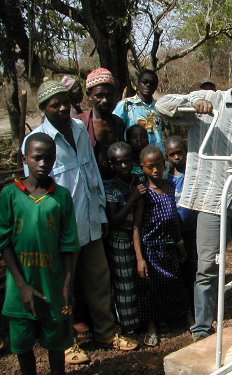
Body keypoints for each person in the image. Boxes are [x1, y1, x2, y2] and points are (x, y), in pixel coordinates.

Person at [156, 59, 232, 341]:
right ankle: (202, 327)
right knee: (208, 264)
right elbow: (162, 107)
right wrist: (193, 104)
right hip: (211, 198)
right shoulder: (211, 101)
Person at [23, 81, 138, 364]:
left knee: (99, 279)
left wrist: (100, 214)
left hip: (89, 221)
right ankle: (66, 342)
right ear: (43, 109)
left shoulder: (78, 130)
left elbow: (92, 177)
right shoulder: (37, 141)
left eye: (65, 101)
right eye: (55, 104)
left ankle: (106, 332)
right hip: (60, 229)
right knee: (64, 286)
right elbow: (33, 189)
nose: (63, 108)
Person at [0, 133, 79, 375]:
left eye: (50, 158)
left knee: (56, 342)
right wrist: (22, 285)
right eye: (37, 158)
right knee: (22, 343)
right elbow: (4, 242)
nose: (44, 163)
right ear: (25, 158)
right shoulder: (10, 195)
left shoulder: (61, 196)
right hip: (19, 286)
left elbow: (69, 246)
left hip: (52, 283)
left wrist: (66, 286)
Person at [132, 145, 189, 347]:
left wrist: (180, 244)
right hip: (150, 250)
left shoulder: (170, 186)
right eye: (150, 167)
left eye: (158, 165)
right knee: (150, 289)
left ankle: (186, 319)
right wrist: (140, 258)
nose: (155, 170)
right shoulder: (143, 193)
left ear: (164, 163)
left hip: (170, 246)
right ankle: (152, 327)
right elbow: (136, 227)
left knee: (176, 283)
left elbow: (174, 219)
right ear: (142, 168)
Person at [104, 142, 147, 333]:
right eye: (118, 163)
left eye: (126, 161)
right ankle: (129, 326)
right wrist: (132, 198)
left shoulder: (139, 179)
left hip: (140, 235)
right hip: (120, 239)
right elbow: (114, 220)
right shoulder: (112, 187)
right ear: (111, 164)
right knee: (124, 284)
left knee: (141, 279)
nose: (123, 166)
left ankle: (145, 319)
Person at [166, 136, 198, 314]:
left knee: (195, 266)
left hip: (193, 228)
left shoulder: (194, 174)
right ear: (167, 156)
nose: (177, 157)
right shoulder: (166, 178)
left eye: (179, 153)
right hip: (176, 231)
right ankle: (184, 309)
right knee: (181, 268)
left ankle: (197, 306)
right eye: (172, 154)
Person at [74, 68, 125, 180]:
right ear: (89, 95)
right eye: (99, 95)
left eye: (109, 95)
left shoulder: (119, 123)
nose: (105, 100)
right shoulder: (78, 124)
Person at [114, 69, 167, 154]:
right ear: (138, 83)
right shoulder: (127, 105)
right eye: (145, 82)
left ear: (156, 86)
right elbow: (115, 129)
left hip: (159, 158)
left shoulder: (159, 107)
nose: (148, 85)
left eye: (152, 83)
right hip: (136, 160)